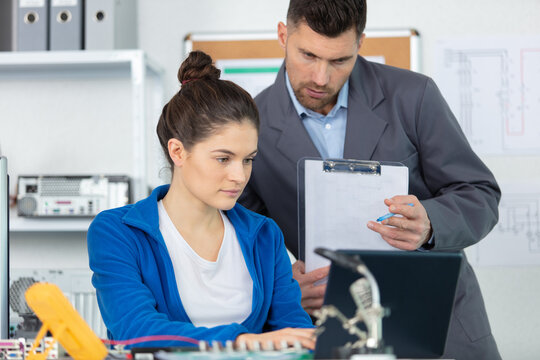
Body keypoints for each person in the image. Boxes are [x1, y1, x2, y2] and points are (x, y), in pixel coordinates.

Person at [238, 0, 502, 359]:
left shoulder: (414, 95)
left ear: (360, 43)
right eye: (309, 55)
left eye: (339, 61)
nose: (321, 77)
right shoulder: (251, 124)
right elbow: (242, 239)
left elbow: (479, 194)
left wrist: (430, 223)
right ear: (283, 35)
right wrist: (283, 286)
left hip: (441, 322)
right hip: (332, 325)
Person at [87, 51, 315, 349]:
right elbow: (137, 330)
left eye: (248, 160)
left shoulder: (264, 234)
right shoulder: (118, 231)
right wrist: (245, 341)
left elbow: (294, 332)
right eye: (223, 158)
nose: (239, 176)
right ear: (178, 152)